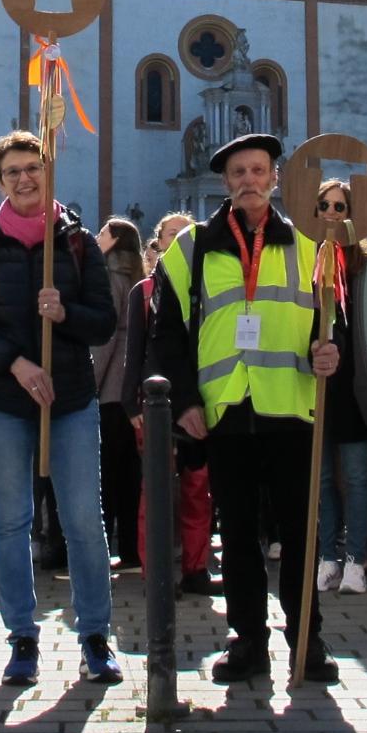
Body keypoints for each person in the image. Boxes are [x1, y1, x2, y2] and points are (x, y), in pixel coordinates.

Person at [150, 132, 342, 684]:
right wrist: (184, 400)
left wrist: (332, 353)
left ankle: (308, 638)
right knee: (235, 532)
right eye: (238, 173)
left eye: (259, 170)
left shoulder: (311, 245)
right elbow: (166, 336)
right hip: (225, 407)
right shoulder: (189, 248)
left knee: (299, 529)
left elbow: (335, 325)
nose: (249, 181)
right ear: (226, 182)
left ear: (275, 178)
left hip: (291, 406)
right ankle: (247, 641)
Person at [0, 131, 121, 687]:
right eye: (13, 171)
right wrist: (16, 362)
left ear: (49, 172)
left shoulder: (76, 241)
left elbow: (103, 321)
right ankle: (22, 635)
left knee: (83, 522)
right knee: (12, 521)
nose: (25, 178)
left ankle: (95, 634)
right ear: (0, 181)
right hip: (1, 401)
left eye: (33, 168)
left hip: (69, 399)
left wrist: (64, 311)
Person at [312, 181, 367, 595]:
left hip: (355, 385)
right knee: (323, 476)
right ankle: (327, 557)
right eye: (324, 205)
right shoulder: (302, 260)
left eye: (340, 206)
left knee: (358, 476)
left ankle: (355, 560)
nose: (331, 212)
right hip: (314, 381)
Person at [122, 210, 214, 596]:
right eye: (170, 236)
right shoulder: (143, 291)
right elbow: (136, 351)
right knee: (156, 490)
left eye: (185, 237)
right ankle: (155, 570)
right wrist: (131, 403)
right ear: (156, 245)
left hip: (200, 401)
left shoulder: (208, 286)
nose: (177, 243)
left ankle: (196, 568)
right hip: (157, 404)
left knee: (198, 489)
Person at [92, 217, 146, 573]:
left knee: (108, 470)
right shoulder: (140, 276)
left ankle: (108, 546)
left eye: (102, 233)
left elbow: (106, 336)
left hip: (112, 385)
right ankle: (130, 548)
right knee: (131, 472)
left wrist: (89, 382)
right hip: (137, 380)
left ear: (113, 240)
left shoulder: (110, 275)